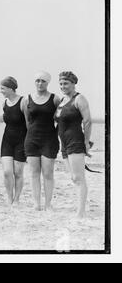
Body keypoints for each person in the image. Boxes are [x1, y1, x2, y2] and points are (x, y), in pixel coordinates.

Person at [55, 71, 92, 218]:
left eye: (66, 83)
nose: (63, 86)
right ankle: (79, 207)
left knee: (78, 177)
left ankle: (81, 211)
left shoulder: (79, 99)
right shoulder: (62, 101)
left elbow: (88, 121)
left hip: (76, 140)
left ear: (73, 83)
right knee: (73, 178)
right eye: (61, 84)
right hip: (63, 143)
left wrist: (86, 142)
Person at [23, 71, 61, 211]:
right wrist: (32, 133)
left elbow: (60, 120)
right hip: (32, 139)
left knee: (48, 173)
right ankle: (37, 203)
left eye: (43, 81)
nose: (40, 83)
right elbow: (28, 121)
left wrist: (54, 134)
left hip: (49, 140)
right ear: (34, 82)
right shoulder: (27, 99)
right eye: (37, 80)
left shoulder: (55, 99)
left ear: (48, 82)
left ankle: (48, 204)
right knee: (34, 173)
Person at [0, 76, 27, 205]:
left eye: (3, 88)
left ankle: (16, 199)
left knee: (18, 172)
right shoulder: (4, 103)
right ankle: (9, 197)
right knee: (7, 172)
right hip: (7, 140)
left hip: (21, 140)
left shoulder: (23, 101)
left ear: (11, 88)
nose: (1, 91)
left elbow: (29, 123)